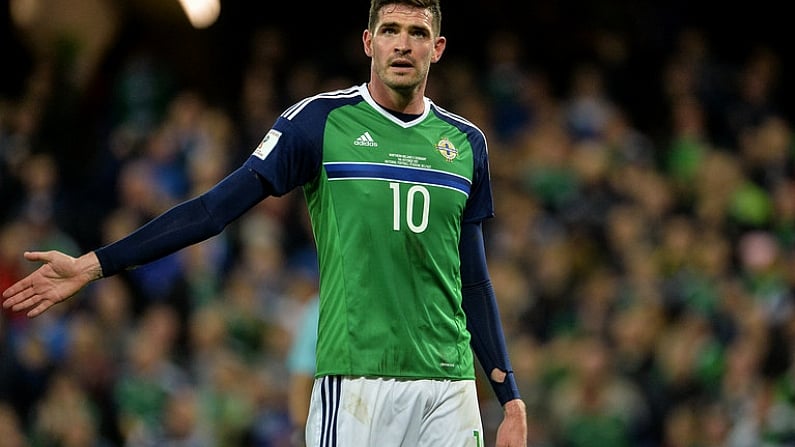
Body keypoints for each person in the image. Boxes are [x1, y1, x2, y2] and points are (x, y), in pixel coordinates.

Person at [2, 0, 528, 445]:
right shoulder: (319, 122)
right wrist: (94, 264)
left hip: (449, 383)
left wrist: (509, 397)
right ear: (368, 42)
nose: (403, 44)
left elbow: (474, 279)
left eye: (418, 33)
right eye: (391, 30)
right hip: (358, 381)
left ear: (437, 49)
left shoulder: (465, 143)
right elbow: (213, 210)